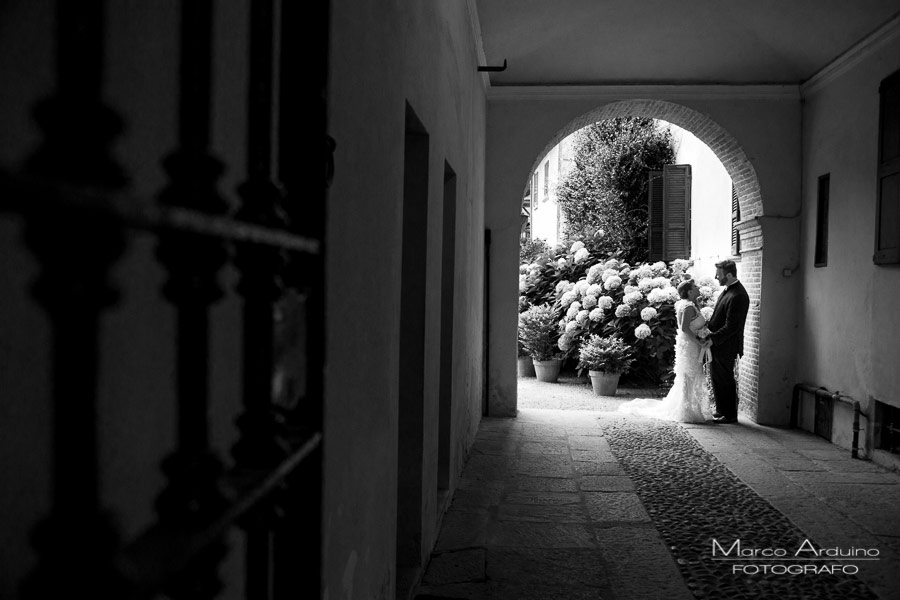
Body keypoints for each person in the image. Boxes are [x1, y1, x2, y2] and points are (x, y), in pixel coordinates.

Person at [618, 279, 713, 423]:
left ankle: (690, 407)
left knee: (689, 375)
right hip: (690, 345)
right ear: (689, 291)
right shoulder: (688, 307)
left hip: (689, 344)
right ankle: (686, 410)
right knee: (689, 375)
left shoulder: (689, 305)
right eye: (695, 286)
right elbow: (685, 329)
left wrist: (703, 333)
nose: (698, 287)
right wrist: (699, 340)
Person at [706, 259, 750, 424]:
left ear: (729, 275)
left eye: (719, 274)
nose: (716, 277)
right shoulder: (728, 291)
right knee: (717, 377)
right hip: (719, 344)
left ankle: (730, 415)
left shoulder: (738, 295)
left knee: (725, 379)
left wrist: (712, 339)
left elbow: (732, 327)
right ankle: (721, 410)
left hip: (726, 345)